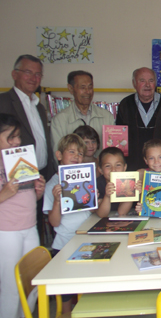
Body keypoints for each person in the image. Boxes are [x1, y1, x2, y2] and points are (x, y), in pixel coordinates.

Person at [0, 55, 56, 244]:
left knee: (36, 225)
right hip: (10, 179)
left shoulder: (39, 106)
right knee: (16, 231)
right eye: (28, 72)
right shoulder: (4, 102)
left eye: (38, 74)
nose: (33, 78)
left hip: (39, 175)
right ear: (14, 74)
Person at [0, 114, 46, 318]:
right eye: (10, 137)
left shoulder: (21, 158)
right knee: (11, 287)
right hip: (7, 232)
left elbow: (28, 197)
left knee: (32, 284)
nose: (17, 142)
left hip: (30, 227)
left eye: (17, 136)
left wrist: (38, 192)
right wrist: (4, 193)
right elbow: (8, 196)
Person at [43, 133, 91, 313]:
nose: (76, 157)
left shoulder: (85, 179)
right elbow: (54, 222)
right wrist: (57, 200)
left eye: (79, 153)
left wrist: (94, 197)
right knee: (66, 292)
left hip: (86, 241)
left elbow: (90, 211)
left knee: (85, 284)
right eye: (71, 152)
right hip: (64, 244)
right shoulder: (52, 185)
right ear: (59, 155)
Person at [116, 67, 161, 171]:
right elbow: (119, 139)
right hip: (132, 167)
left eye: (151, 81)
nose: (147, 85)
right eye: (142, 81)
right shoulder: (125, 104)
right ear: (134, 83)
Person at [50, 70, 115, 158]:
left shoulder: (107, 117)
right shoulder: (59, 121)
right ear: (71, 89)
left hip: (101, 170)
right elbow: (57, 156)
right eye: (82, 87)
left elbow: (114, 152)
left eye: (90, 87)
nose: (87, 92)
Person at [95, 147, 134, 217]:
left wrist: (132, 192)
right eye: (108, 166)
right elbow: (102, 214)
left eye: (118, 165)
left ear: (124, 168)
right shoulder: (97, 184)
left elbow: (122, 212)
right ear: (100, 170)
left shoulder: (129, 181)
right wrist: (107, 196)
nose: (113, 170)